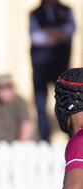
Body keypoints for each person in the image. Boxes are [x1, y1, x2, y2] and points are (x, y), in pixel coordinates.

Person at [29, 0, 75, 141]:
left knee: (68, 103)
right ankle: (44, 138)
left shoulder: (66, 10)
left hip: (61, 67)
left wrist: (49, 34)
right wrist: (57, 34)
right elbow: (36, 37)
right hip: (40, 68)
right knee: (41, 104)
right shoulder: (35, 13)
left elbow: (70, 30)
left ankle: (71, 137)